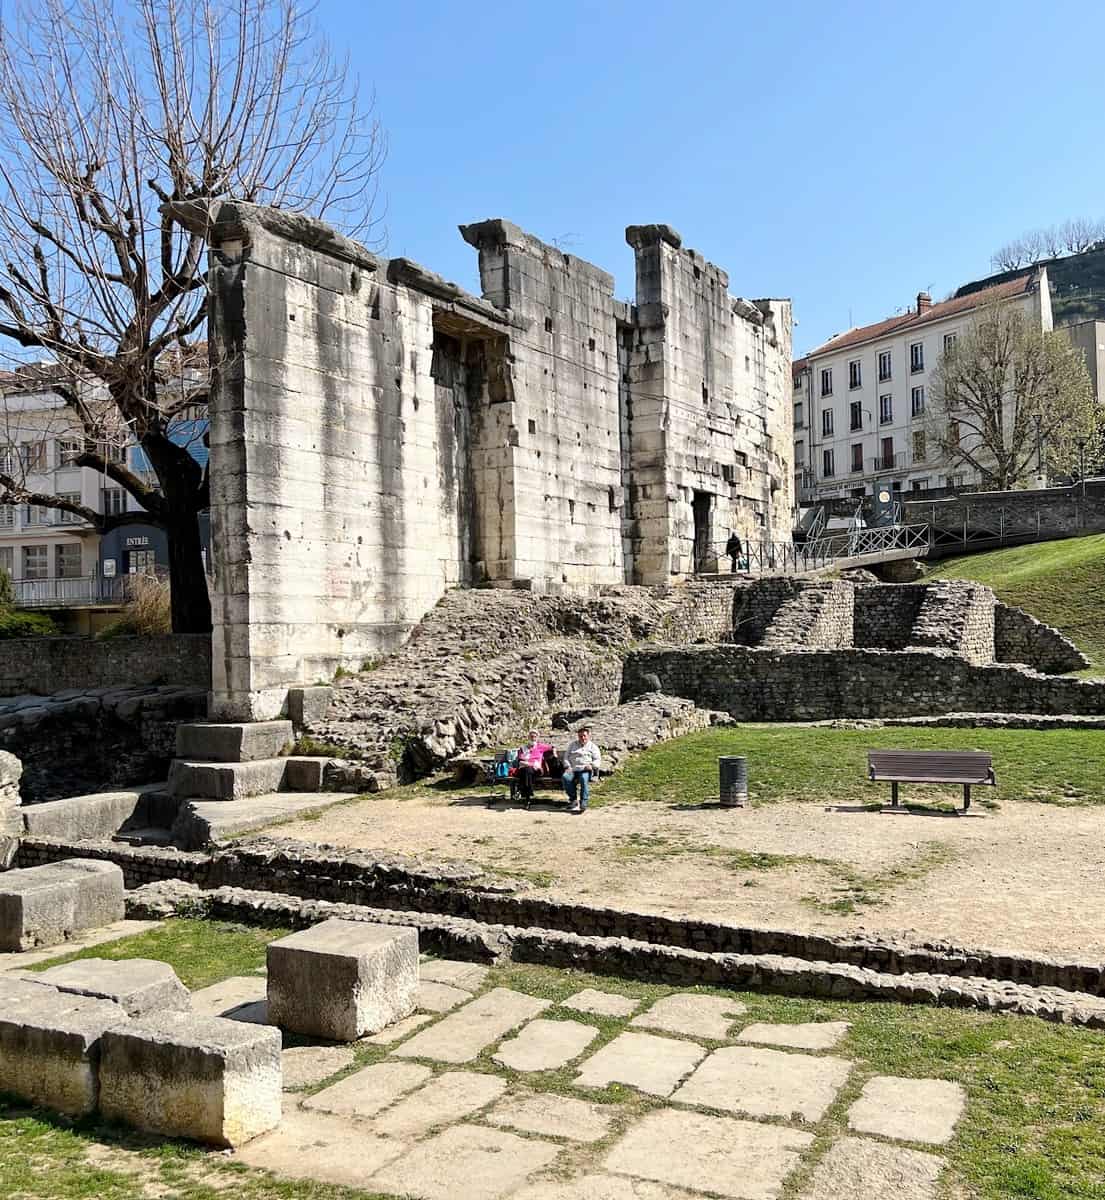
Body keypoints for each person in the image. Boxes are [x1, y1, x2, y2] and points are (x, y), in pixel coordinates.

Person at [561, 726, 602, 814]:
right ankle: (573, 800)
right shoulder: (572, 745)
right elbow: (566, 757)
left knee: (583, 779)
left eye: (584, 736)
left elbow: (597, 759)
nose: (582, 738)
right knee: (566, 777)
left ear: (588, 736)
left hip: (585, 769)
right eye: (580, 736)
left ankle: (583, 802)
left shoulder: (592, 746)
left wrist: (592, 765)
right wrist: (567, 766)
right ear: (578, 736)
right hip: (573, 769)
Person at [514, 729, 553, 802]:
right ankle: (528, 796)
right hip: (525, 769)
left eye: (535, 736)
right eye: (531, 736)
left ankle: (521, 791)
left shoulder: (540, 746)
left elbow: (552, 747)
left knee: (527, 771)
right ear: (528, 737)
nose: (533, 738)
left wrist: (555, 752)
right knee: (527, 770)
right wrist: (529, 764)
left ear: (537, 738)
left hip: (536, 770)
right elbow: (520, 761)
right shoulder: (523, 748)